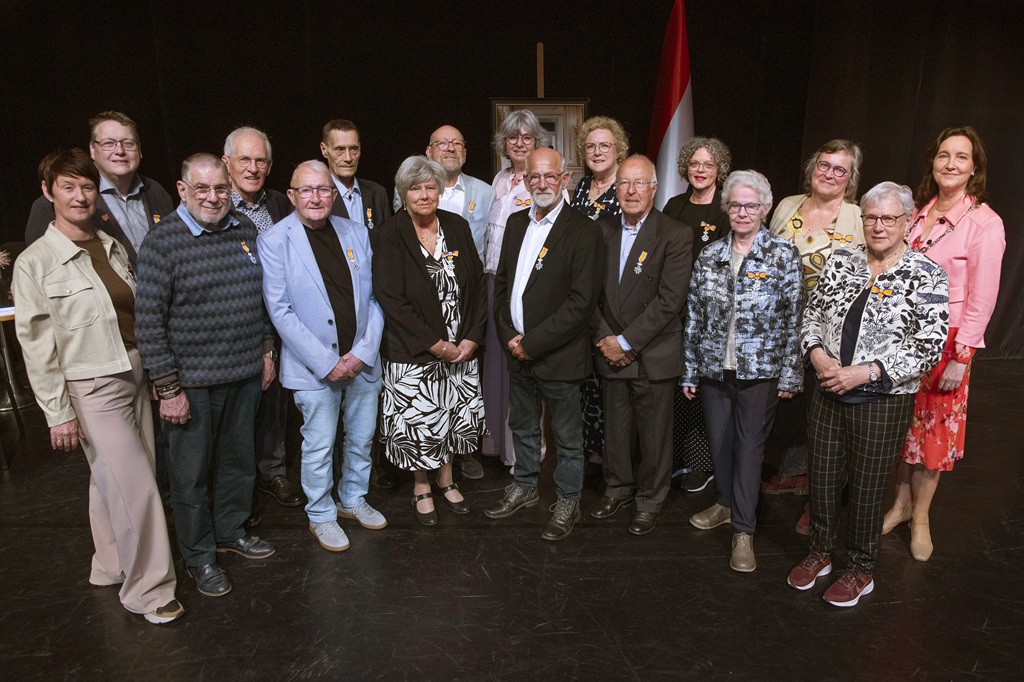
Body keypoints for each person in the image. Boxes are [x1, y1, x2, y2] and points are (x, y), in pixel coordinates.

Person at [13, 149, 182, 624]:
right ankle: (149, 590)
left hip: (133, 373)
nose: (80, 195)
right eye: (68, 187)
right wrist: (57, 412)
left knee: (113, 478)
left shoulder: (111, 243)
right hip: (91, 386)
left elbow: (136, 316)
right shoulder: (35, 262)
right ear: (49, 193)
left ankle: (109, 563)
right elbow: (36, 345)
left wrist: (153, 371)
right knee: (138, 486)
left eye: (86, 186)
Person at [788, 182, 948, 607]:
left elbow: (928, 343)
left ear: (907, 221)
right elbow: (812, 315)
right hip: (827, 388)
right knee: (821, 478)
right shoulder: (842, 260)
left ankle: (860, 567)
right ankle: (820, 553)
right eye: (871, 217)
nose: (878, 226)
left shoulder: (926, 273)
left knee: (866, 486)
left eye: (888, 218)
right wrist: (817, 355)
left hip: (882, 398)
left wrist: (866, 372)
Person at [136, 153, 277, 598]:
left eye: (220, 189)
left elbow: (265, 298)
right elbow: (148, 324)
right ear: (182, 190)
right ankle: (198, 555)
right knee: (190, 476)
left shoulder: (246, 230)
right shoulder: (162, 243)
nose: (214, 198)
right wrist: (168, 387)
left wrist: (268, 350)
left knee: (238, 464)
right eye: (203, 189)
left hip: (245, 374)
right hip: (191, 385)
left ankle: (230, 531)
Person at [882, 126, 1006, 561]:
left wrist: (962, 355)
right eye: (943, 156)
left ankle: (920, 518)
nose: (950, 164)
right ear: (932, 163)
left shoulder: (984, 223)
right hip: (899, 338)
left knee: (933, 437)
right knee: (902, 428)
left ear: (975, 168)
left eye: (961, 157)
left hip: (947, 342)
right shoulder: (915, 213)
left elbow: (982, 296)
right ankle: (898, 506)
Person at [260, 161, 386, 551]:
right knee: (318, 445)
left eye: (323, 189)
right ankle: (321, 513)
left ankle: (352, 499)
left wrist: (362, 353)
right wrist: (327, 362)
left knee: (362, 438)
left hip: (362, 363)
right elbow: (280, 311)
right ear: (293, 195)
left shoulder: (356, 232)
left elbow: (376, 299)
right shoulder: (275, 240)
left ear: (333, 194)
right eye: (307, 190)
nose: (316, 197)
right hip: (314, 369)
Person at [682, 170, 802, 573]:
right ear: (726, 208)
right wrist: (689, 371)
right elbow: (695, 318)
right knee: (720, 444)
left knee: (749, 449)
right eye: (735, 205)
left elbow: (794, 321)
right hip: (716, 368)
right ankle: (725, 501)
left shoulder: (783, 256)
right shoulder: (710, 255)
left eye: (751, 205)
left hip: (761, 372)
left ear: (765, 209)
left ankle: (743, 531)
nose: (742, 212)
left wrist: (790, 374)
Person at [485, 148, 604, 541]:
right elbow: (501, 285)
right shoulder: (517, 222)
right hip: (516, 351)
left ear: (565, 179)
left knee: (568, 438)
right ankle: (524, 485)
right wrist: (508, 336)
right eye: (533, 177)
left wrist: (531, 342)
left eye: (549, 176)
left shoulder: (584, 230)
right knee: (522, 425)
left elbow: (581, 303)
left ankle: (569, 500)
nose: (541, 183)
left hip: (558, 355)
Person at [373, 156, 487, 526]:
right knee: (422, 423)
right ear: (403, 194)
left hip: (460, 349)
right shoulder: (391, 234)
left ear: (440, 189)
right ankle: (421, 485)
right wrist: (436, 344)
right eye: (415, 188)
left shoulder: (456, 225)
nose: (424, 194)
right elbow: (392, 299)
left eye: (431, 186)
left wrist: (471, 337)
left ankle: (446, 478)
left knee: (451, 417)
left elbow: (477, 285)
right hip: (415, 350)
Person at [763, 139, 865, 535]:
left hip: (831, 333)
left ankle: (821, 500)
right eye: (825, 165)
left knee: (823, 417)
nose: (830, 174)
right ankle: (794, 475)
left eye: (841, 169)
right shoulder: (788, 205)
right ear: (812, 167)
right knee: (786, 408)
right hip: (779, 326)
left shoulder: (858, 216)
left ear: (850, 178)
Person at [589, 155, 692, 535]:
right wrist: (606, 339)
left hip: (652, 353)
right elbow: (588, 296)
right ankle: (617, 488)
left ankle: (650, 499)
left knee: (653, 436)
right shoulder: (600, 231)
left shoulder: (675, 234)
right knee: (615, 432)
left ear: (653, 188)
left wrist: (627, 341)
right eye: (624, 184)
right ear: (615, 190)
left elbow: (670, 300)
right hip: (609, 350)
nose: (631, 191)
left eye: (639, 183)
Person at [223, 126, 304, 512]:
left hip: (281, 319)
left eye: (260, 161)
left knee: (275, 407)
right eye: (244, 159)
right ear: (227, 163)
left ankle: (273, 473)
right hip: (237, 324)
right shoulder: (217, 206)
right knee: (238, 415)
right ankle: (241, 492)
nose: (252, 168)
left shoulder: (278, 204)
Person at [662, 136, 732, 494]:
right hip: (672, 313)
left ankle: (704, 464)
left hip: (709, 315)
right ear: (685, 168)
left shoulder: (726, 210)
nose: (700, 170)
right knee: (677, 388)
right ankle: (679, 460)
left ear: (719, 168)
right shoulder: (673, 206)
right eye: (694, 164)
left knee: (704, 389)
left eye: (707, 164)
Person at [481, 110, 551, 467]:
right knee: (496, 370)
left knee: (523, 369)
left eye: (526, 137)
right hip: (493, 281)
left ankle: (526, 455)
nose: (520, 143)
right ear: (504, 144)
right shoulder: (499, 179)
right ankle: (499, 447)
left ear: (536, 141)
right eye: (513, 138)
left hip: (524, 286)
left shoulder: (540, 181)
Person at [24, 112, 175, 265]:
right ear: (92, 149)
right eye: (108, 143)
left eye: (128, 143)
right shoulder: (54, 204)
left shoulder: (156, 191)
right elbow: (42, 265)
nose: (120, 151)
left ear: (140, 149)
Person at [569, 115, 629, 466]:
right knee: (585, 379)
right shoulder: (579, 188)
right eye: (590, 146)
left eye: (605, 145)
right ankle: (590, 452)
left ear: (618, 149)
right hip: (579, 297)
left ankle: (615, 460)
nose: (597, 151)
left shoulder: (627, 187)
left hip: (613, 297)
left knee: (611, 382)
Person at [320, 119, 393, 247]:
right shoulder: (316, 196)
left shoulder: (377, 193)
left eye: (353, 149)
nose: (348, 158)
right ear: (324, 150)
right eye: (340, 149)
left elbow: (387, 245)